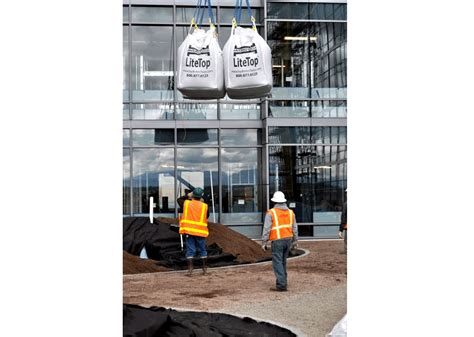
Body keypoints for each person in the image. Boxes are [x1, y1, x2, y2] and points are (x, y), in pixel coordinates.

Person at [261, 191, 298, 292]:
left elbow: (267, 228)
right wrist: (295, 241)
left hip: (277, 240)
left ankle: (281, 285)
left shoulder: (271, 213)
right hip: (288, 240)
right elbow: (294, 228)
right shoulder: (291, 212)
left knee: (277, 262)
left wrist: (264, 242)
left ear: (275, 201)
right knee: (283, 262)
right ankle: (283, 281)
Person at [178, 187, 210, 276]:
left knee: (190, 250)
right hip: (200, 231)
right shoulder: (205, 206)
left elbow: (179, 200)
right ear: (201, 196)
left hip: (189, 231)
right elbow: (206, 216)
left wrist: (187, 195)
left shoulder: (186, 203)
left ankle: (190, 271)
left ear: (192, 195)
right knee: (202, 250)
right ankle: (204, 270)